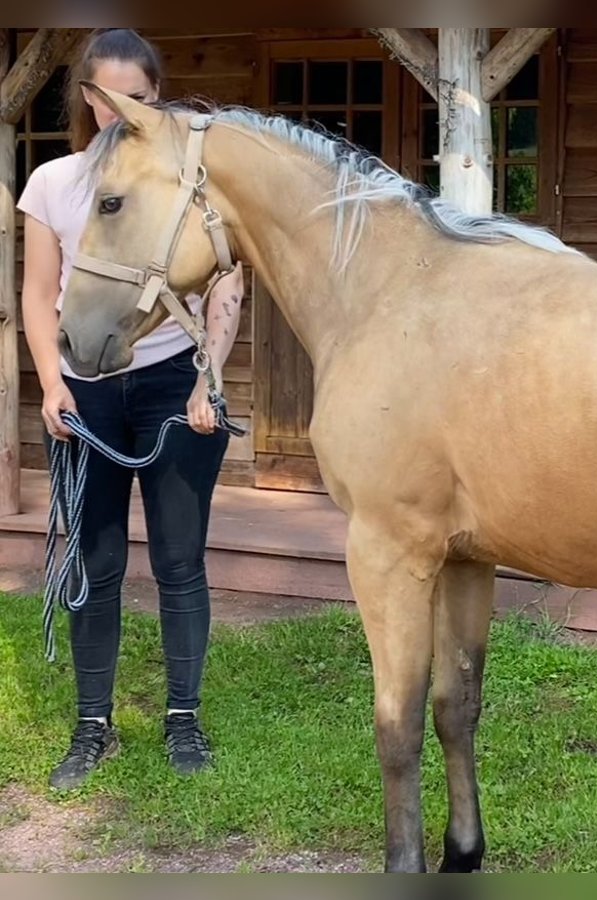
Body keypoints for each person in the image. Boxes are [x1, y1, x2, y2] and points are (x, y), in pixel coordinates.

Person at [18, 28, 244, 790]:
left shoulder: (185, 175)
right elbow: (36, 294)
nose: (124, 113)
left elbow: (224, 283)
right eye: (109, 97)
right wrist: (51, 383)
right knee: (97, 562)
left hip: (169, 380)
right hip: (84, 390)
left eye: (140, 99)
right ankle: (93, 725)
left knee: (180, 562)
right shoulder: (54, 181)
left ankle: (184, 718)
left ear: (158, 95)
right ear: (87, 98)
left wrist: (204, 378)